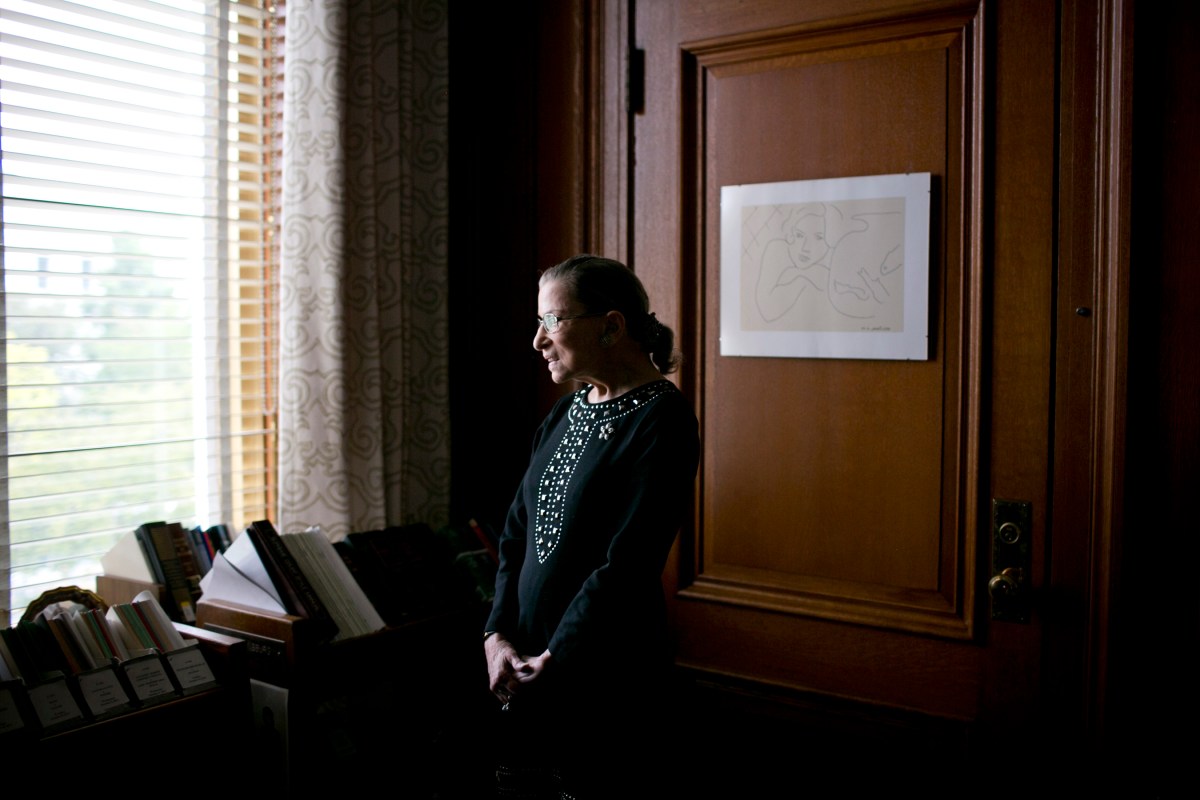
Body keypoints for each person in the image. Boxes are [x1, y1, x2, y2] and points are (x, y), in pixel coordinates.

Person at [483, 254, 700, 799]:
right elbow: (515, 533)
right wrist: (496, 635)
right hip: (524, 661)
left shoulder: (663, 419)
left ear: (611, 325)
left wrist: (556, 657)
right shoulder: (567, 411)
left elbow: (629, 562)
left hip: (605, 669)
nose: (538, 340)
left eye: (552, 321)